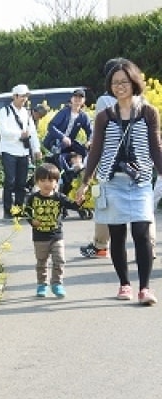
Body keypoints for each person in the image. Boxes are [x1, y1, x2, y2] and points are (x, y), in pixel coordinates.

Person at [76, 59, 162, 305]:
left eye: (124, 81)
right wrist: (85, 181)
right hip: (112, 182)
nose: (119, 86)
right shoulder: (105, 116)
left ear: (134, 82)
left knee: (141, 232)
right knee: (117, 234)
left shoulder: (148, 112)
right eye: (114, 83)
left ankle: (145, 288)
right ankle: (124, 283)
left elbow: (156, 148)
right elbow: (96, 151)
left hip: (141, 181)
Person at [80, 57, 127, 258]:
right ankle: (147, 246)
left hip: (109, 162)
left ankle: (100, 246)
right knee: (139, 207)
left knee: (104, 203)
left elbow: (100, 132)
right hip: (135, 163)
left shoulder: (104, 100)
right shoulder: (138, 99)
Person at [24, 162, 82, 298]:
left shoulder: (59, 197)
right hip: (39, 237)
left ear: (56, 182)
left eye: (51, 180)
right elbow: (25, 211)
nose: (46, 184)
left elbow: (72, 205)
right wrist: (32, 220)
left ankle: (57, 283)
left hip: (56, 235)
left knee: (60, 260)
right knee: (42, 262)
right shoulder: (33, 198)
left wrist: (79, 203)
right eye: (42, 180)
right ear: (37, 182)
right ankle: (42, 285)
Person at [0, 84, 43, 219]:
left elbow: (32, 133)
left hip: (23, 151)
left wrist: (36, 149)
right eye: (22, 96)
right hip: (9, 150)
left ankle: (18, 209)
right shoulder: (4, 112)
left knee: (21, 183)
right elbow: (3, 132)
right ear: (14, 96)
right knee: (10, 181)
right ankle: (7, 210)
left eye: (26, 96)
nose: (24, 99)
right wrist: (19, 135)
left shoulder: (26, 113)